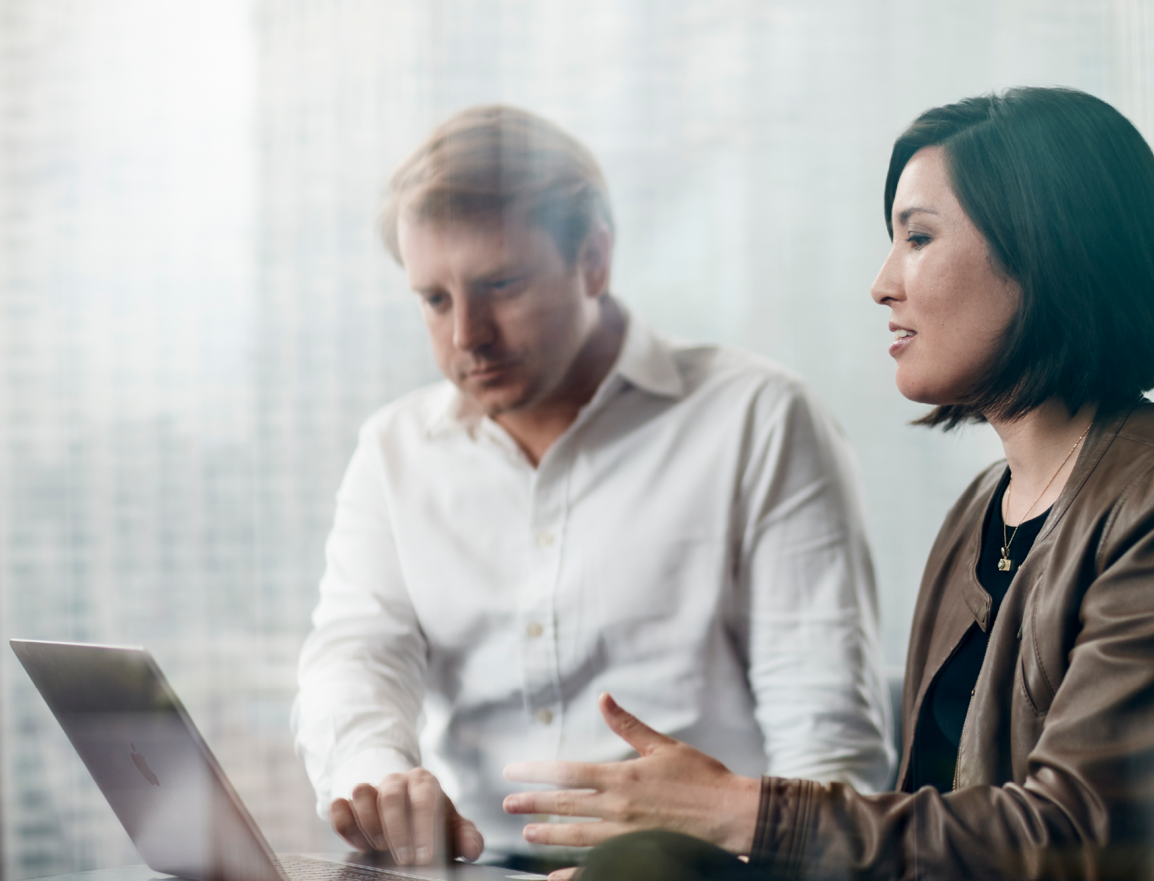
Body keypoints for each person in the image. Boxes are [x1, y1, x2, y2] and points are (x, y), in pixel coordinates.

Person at [502, 87, 1154, 880]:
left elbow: (1079, 833)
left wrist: (741, 808)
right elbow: (924, 818)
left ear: (1050, 250)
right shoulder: (980, 512)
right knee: (642, 863)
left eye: (918, 238)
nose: (883, 283)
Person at [290, 105, 895, 872]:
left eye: (500, 284)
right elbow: (354, 656)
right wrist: (376, 777)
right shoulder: (393, 448)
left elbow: (827, 743)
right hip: (474, 867)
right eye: (434, 300)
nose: (467, 334)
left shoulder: (758, 417)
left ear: (595, 259)